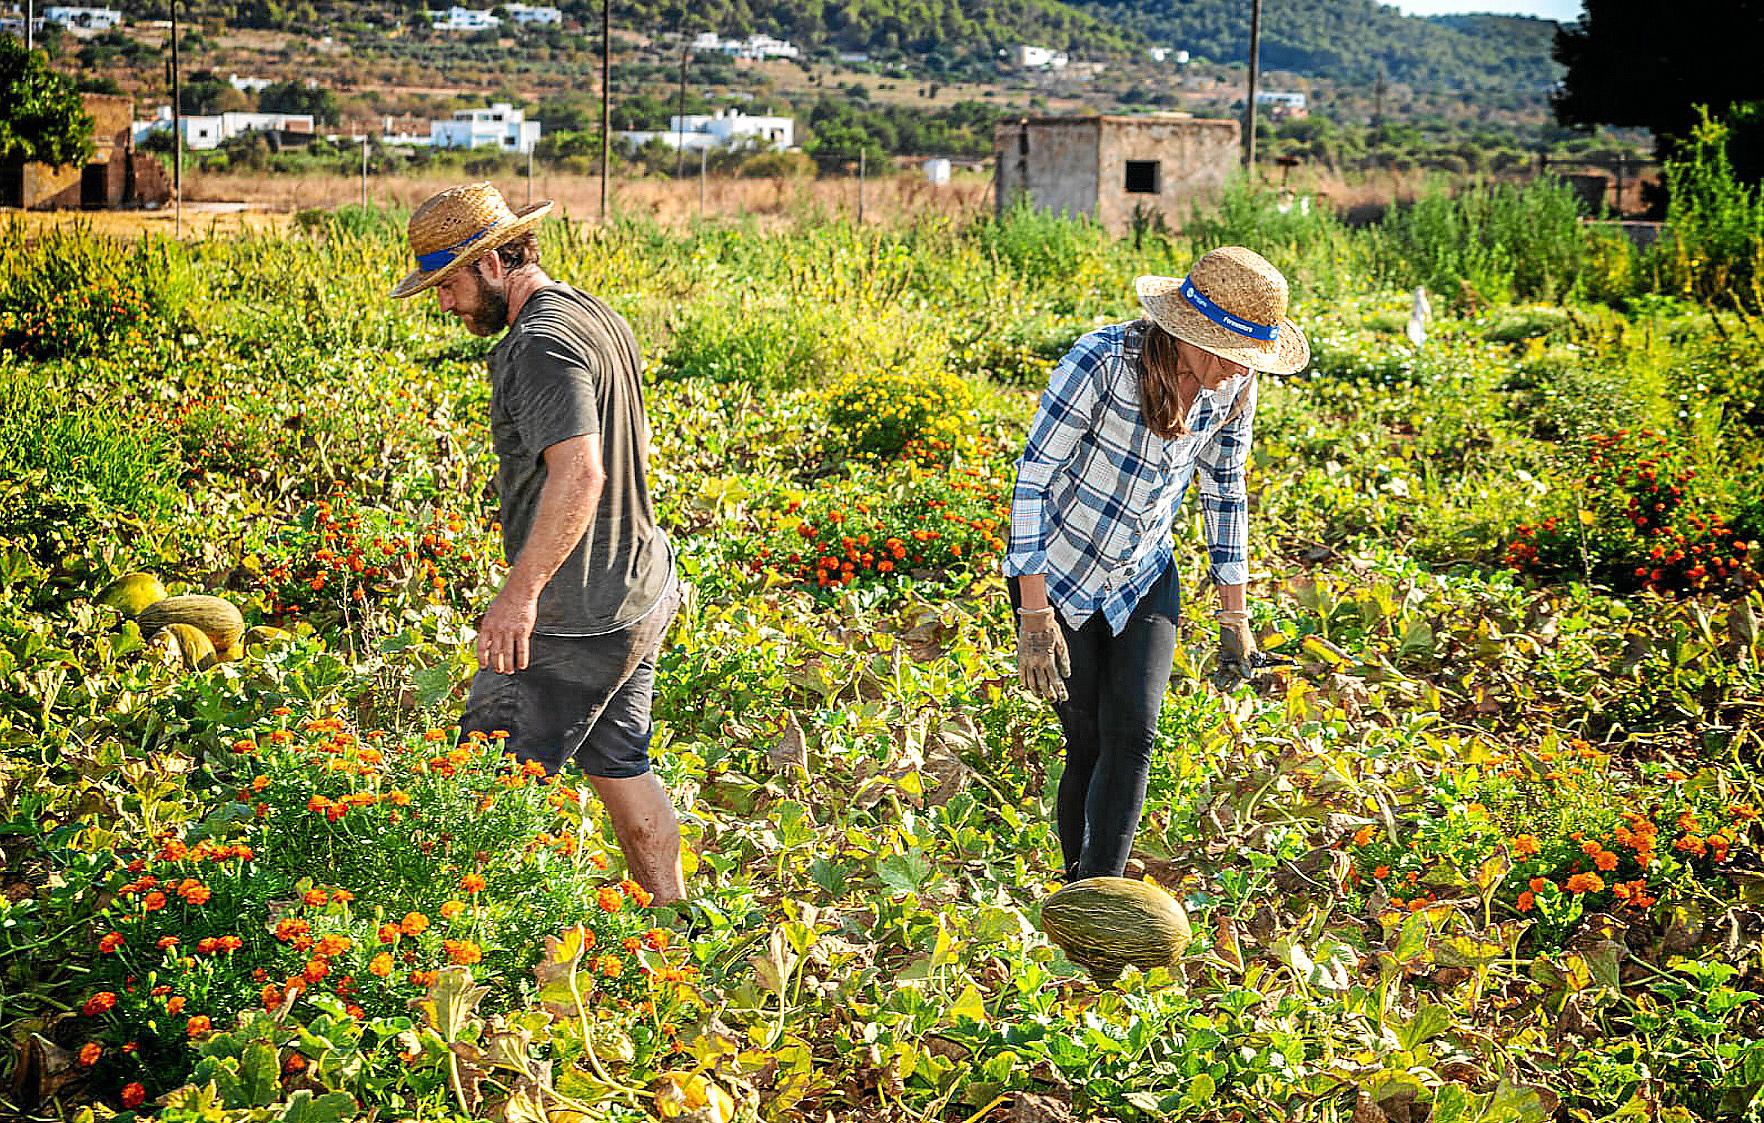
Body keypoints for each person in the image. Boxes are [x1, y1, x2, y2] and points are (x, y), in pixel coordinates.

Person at [391, 182, 685, 904]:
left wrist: (519, 597)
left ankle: (469, 957)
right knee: (619, 763)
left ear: (492, 262)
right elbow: (632, 443)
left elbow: (582, 473)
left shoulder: (538, 344)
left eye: (450, 284)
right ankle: (674, 922)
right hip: (640, 586)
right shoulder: (592, 315)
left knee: (482, 788)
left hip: (574, 614)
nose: (446, 305)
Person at [1002, 246, 1310, 883]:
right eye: (1228, 353)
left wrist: (1235, 616)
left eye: (1247, 359)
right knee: (1087, 741)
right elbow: (1032, 481)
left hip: (1143, 573)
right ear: (1186, 333)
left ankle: (1098, 901)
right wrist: (1035, 615)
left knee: (1135, 735)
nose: (1235, 372)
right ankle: (1077, 895)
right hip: (1058, 577)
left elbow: (1225, 489)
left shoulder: (1234, 389)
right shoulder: (1101, 364)